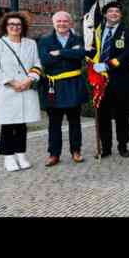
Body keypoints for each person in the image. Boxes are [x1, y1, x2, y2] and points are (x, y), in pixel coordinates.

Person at [38, 11, 94, 167]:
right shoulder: (45, 40)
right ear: (53, 23)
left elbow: (82, 54)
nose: (62, 24)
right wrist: (70, 54)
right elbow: (46, 60)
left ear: (70, 23)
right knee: (54, 123)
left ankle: (76, 151)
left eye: (65, 21)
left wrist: (60, 52)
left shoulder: (78, 39)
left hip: (73, 84)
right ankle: (54, 154)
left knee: (75, 121)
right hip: (53, 87)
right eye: (59, 21)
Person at [0, 12, 42, 171]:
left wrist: (28, 80)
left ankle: (21, 154)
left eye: (18, 25)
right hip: (7, 91)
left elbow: (37, 64)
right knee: (7, 125)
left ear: (23, 27)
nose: (15, 27)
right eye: (11, 24)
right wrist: (12, 82)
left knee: (21, 125)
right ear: (6, 26)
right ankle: (8, 157)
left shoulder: (31, 43)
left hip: (26, 89)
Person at [93, 1, 129, 158]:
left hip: (120, 80)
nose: (113, 14)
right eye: (110, 11)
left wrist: (107, 65)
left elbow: (127, 54)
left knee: (121, 115)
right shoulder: (97, 32)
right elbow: (91, 51)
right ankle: (105, 147)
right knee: (103, 115)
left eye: (117, 11)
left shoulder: (128, 32)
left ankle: (123, 146)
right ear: (105, 15)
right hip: (100, 81)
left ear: (120, 15)